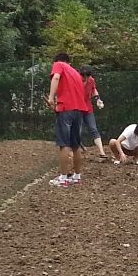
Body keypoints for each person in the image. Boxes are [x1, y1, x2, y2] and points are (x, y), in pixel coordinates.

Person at [47, 52, 90, 186]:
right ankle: (77, 177)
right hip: (79, 110)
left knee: (64, 144)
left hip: (66, 109)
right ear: (69, 62)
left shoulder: (59, 64)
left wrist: (51, 97)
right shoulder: (76, 73)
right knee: (75, 145)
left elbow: (56, 78)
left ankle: (63, 178)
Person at [79, 65, 109, 161]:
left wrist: (98, 99)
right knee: (77, 131)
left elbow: (93, 89)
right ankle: (79, 148)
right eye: (84, 76)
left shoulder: (91, 80)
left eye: (87, 76)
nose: (86, 78)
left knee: (93, 129)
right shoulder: (75, 80)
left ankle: (102, 152)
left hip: (88, 109)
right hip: (77, 109)